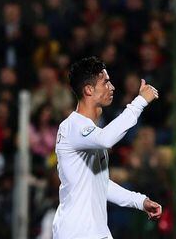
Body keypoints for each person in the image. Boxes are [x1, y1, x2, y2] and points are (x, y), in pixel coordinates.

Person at [52, 56, 162, 239]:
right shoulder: (72, 127)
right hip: (76, 233)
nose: (112, 87)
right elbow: (106, 139)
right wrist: (139, 102)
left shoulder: (90, 133)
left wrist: (140, 201)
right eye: (106, 82)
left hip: (95, 232)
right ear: (88, 89)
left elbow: (100, 183)